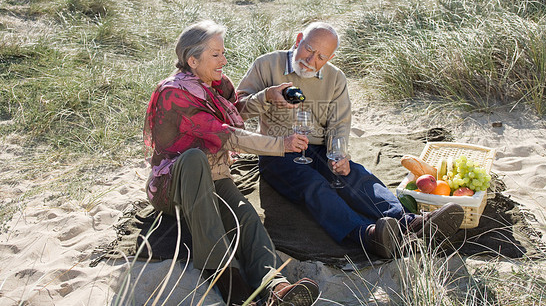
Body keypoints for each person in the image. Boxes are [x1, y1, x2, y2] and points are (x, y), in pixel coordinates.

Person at [235, 21, 464, 258]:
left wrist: (339, 155)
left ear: (330, 57)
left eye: (321, 57)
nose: (311, 60)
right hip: (278, 151)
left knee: (355, 175)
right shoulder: (266, 64)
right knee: (315, 186)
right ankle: (369, 235)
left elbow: (339, 124)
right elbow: (236, 110)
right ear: (298, 39)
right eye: (309, 50)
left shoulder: (335, 78)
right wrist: (267, 97)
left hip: (320, 148)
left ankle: (410, 223)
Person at [143, 20, 320, 306]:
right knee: (193, 158)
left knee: (246, 217)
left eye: (223, 53)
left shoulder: (217, 84)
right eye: (216, 55)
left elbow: (231, 112)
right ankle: (229, 279)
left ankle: (275, 285)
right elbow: (226, 136)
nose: (224, 60)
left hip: (214, 175)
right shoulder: (173, 94)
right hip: (174, 184)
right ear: (193, 60)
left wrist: (266, 97)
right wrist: (281, 145)